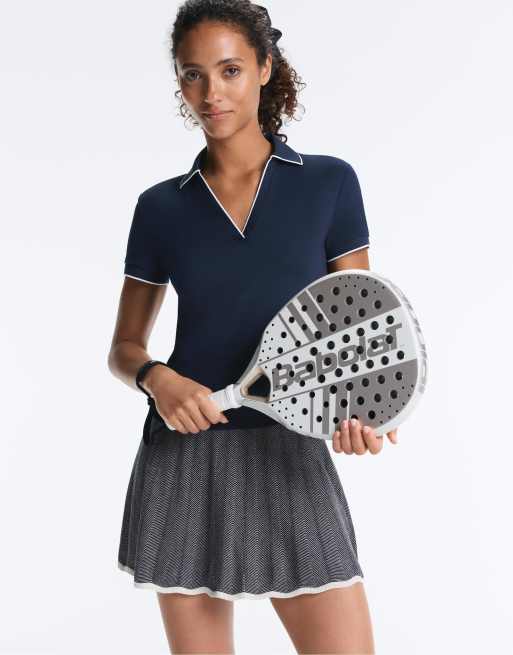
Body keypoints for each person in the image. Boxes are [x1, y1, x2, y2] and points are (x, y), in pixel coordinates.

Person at [108, 1, 398, 653]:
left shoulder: (328, 183)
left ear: (265, 68)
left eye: (230, 69)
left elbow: (361, 328)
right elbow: (123, 348)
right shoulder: (160, 208)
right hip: (185, 455)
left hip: (289, 450)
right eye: (193, 74)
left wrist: (360, 414)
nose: (211, 92)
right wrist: (157, 379)